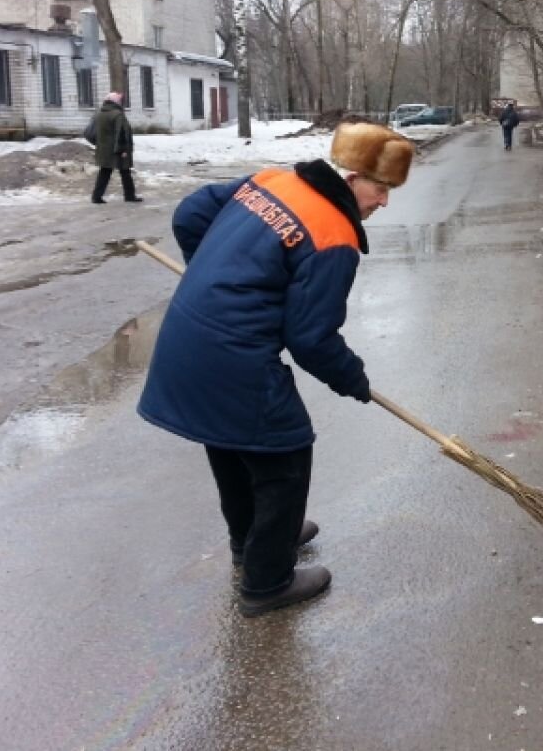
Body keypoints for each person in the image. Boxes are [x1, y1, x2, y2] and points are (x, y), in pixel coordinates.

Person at [137, 123, 414, 617]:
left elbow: (191, 212)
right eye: (381, 188)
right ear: (352, 178)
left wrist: (211, 274)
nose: (385, 201)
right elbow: (310, 337)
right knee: (285, 452)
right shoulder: (334, 237)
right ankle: (267, 582)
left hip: (188, 333)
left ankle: (254, 540)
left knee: (229, 441)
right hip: (233, 352)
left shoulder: (273, 181)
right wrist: (353, 379)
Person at [91, 92, 142, 204]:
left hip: (104, 149)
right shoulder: (118, 115)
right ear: (116, 102)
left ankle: (96, 196)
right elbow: (122, 132)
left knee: (104, 172)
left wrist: (99, 143)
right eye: (120, 101)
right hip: (117, 149)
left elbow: (91, 132)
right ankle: (129, 195)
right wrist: (123, 149)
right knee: (125, 172)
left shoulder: (99, 114)